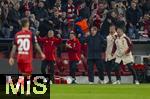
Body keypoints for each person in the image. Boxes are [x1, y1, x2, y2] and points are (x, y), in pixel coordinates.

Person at [9, 18, 45, 95]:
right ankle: (24, 90)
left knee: (23, 74)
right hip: (27, 58)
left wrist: (11, 57)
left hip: (19, 58)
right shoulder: (31, 34)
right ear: (27, 24)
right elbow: (36, 45)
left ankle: (21, 90)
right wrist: (41, 53)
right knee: (27, 75)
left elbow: (14, 47)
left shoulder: (17, 34)